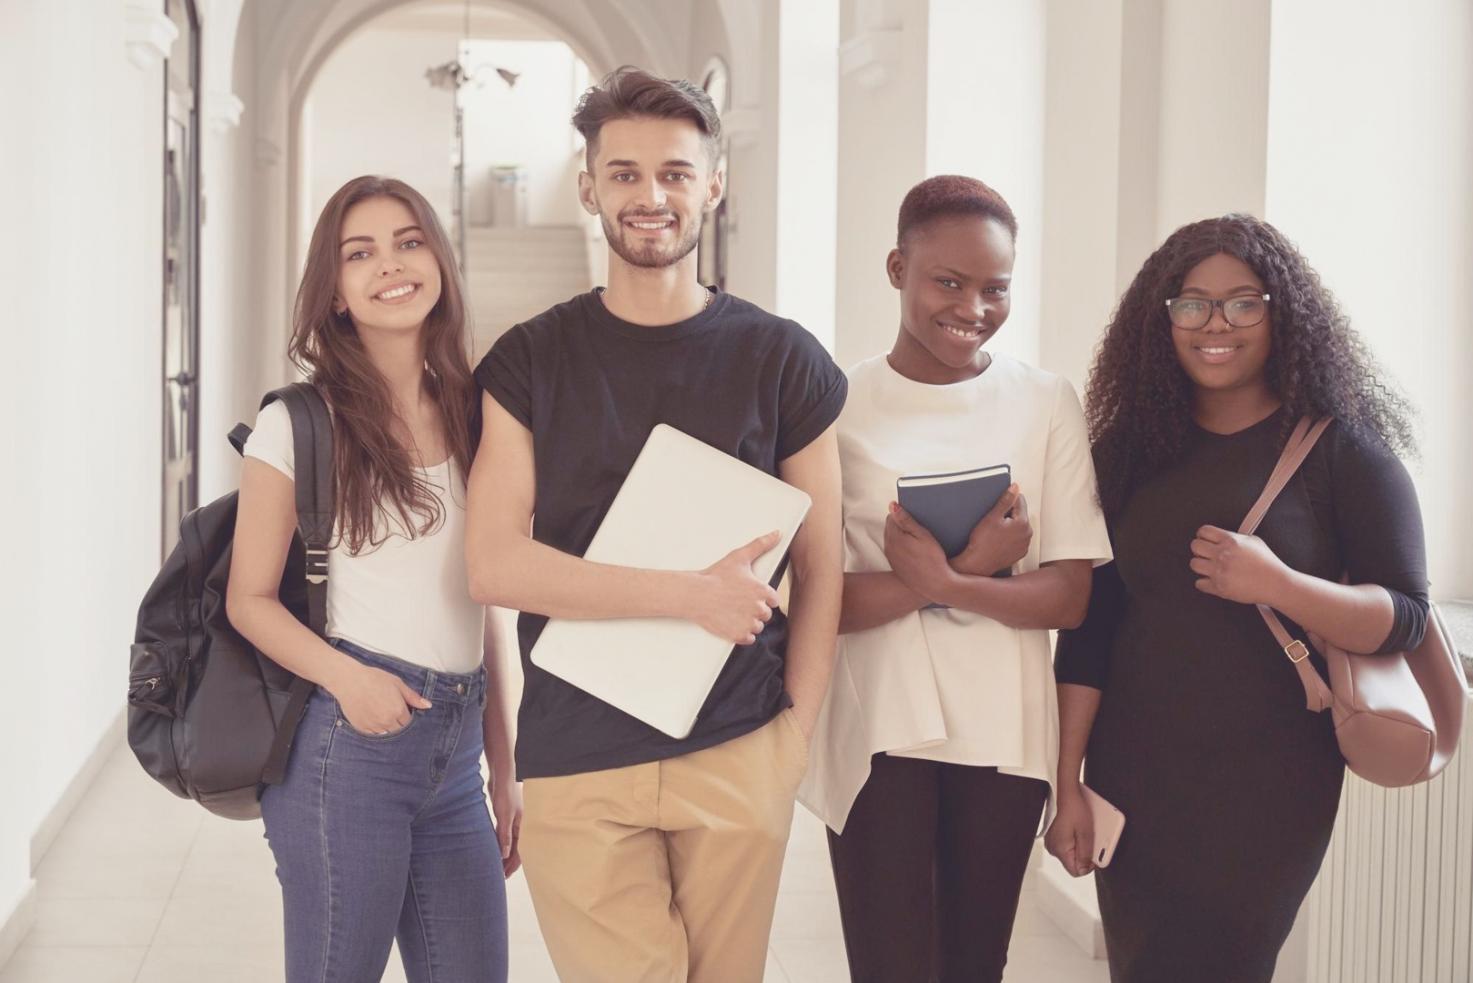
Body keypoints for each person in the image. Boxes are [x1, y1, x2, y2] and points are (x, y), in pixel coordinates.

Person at [464, 67, 846, 983]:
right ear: (588, 187)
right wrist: (687, 595)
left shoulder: (782, 359)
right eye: (624, 173)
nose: (650, 196)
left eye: (675, 173)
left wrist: (792, 737)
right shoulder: (528, 360)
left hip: (737, 744)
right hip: (577, 753)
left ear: (712, 185)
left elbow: (824, 564)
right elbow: (492, 564)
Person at [1047, 214, 1429, 982]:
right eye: (1191, 304)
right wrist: (1065, 783)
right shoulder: (1124, 454)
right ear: (1161, 320)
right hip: (1136, 770)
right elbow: (1089, 631)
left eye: (1241, 303)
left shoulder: (1342, 451)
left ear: (1280, 314)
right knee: (1143, 967)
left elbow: (1405, 618)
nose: (1214, 324)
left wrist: (1277, 584)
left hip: (1274, 777)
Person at [799, 175, 1112, 982]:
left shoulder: (1045, 402)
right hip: (877, 722)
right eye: (948, 281)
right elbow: (817, 601)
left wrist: (947, 578)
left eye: (994, 288)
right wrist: (967, 568)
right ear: (897, 268)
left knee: (975, 964)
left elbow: (1070, 594)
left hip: (1004, 729)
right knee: (888, 965)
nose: (972, 306)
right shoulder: (833, 405)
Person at [226, 175, 516, 983]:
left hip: (458, 758)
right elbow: (248, 599)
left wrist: (505, 765)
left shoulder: (477, 413)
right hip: (346, 749)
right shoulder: (296, 422)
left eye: (408, 242)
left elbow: (484, 593)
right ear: (335, 290)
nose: (390, 264)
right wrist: (350, 680)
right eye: (360, 253)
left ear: (439, 262)